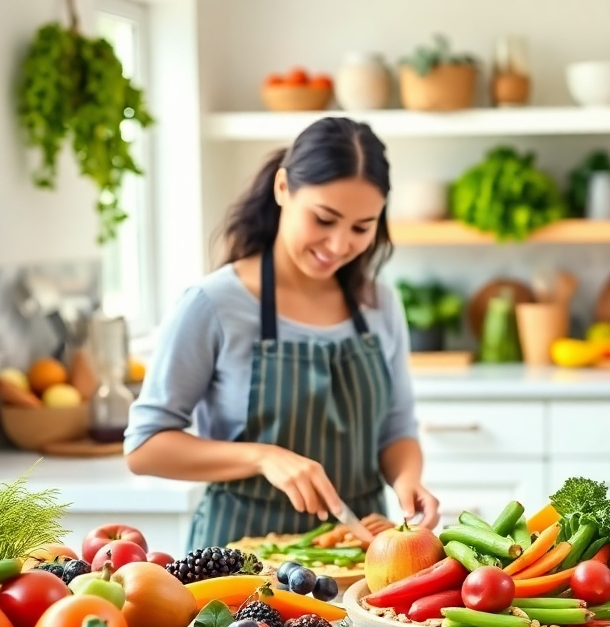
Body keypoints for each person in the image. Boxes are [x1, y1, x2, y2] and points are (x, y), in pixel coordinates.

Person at [125, 117, 438, 549]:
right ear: (282, 189)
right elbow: (144, 448)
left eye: (361, 227)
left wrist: (408, 481)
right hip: (239, 561)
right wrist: (262, 456)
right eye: (324, 219)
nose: (338, 244)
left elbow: (396, 428)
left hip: (360, 557)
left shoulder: (378, 304)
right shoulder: (212, 303)